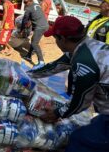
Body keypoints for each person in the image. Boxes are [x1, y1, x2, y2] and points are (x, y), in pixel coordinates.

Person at [28, 16, 109, 152]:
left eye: (55, 38)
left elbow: (81, 102)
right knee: (95, 125)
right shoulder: (85, 47)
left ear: (63, 39)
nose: (55, 42)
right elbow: (54, 67)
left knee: (78, 140)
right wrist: (25, 74)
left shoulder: (84, 62)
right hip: (104, 111)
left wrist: (57, 113)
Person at [21, 0, 49, 69]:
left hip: (40, 27)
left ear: (30, 1)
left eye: (26, 2)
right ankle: (29, 56)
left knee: (34, 43)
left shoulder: (28, 8)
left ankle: (41, 62)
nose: (25, 4)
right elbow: (34, 15)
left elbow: (24, 20)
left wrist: (22, 29)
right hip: (45, 25)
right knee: (33, 40)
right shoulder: (36, 4)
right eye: (24, 2)